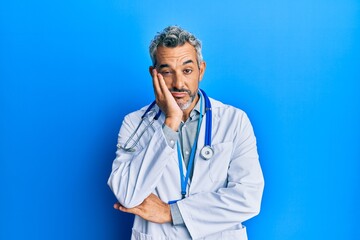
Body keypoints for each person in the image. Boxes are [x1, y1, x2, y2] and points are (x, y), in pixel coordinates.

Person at [108, 25, 264, 240]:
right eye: (167, 72)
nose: (178, 83)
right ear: (154, 74)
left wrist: (170, 212)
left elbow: (248, 198)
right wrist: (170, 122)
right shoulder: (134, 123)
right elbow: (127, 195)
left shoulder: (234, 121)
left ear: (201, 70)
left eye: (187, 70)